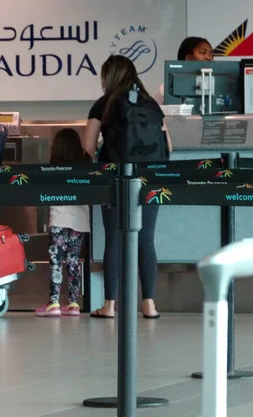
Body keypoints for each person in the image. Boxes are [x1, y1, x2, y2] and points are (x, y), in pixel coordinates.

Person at [82, 55, 172, 320]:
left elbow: (87, 146)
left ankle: (109, 305)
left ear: (108, 77)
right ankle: (149, 304)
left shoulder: (104, 104)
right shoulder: (151, 105)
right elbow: (169, 147)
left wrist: (107, 148)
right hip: (151, 179)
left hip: (116, 178)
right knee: (146, 239)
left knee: (114, 238)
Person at [35, 128, 90, 317]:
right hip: (80, 220)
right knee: (74, 262)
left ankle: (54, 303)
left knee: (56, 262)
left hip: (59, 218)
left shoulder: (53, 168)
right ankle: (74, 303)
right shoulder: (84, 167)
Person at [155, 37, 214, 104]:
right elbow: (155, 112)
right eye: (203, 53)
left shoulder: (216, 84)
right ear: (188, 58)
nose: (209, 58)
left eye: (211, 54)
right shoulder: (167, 87)